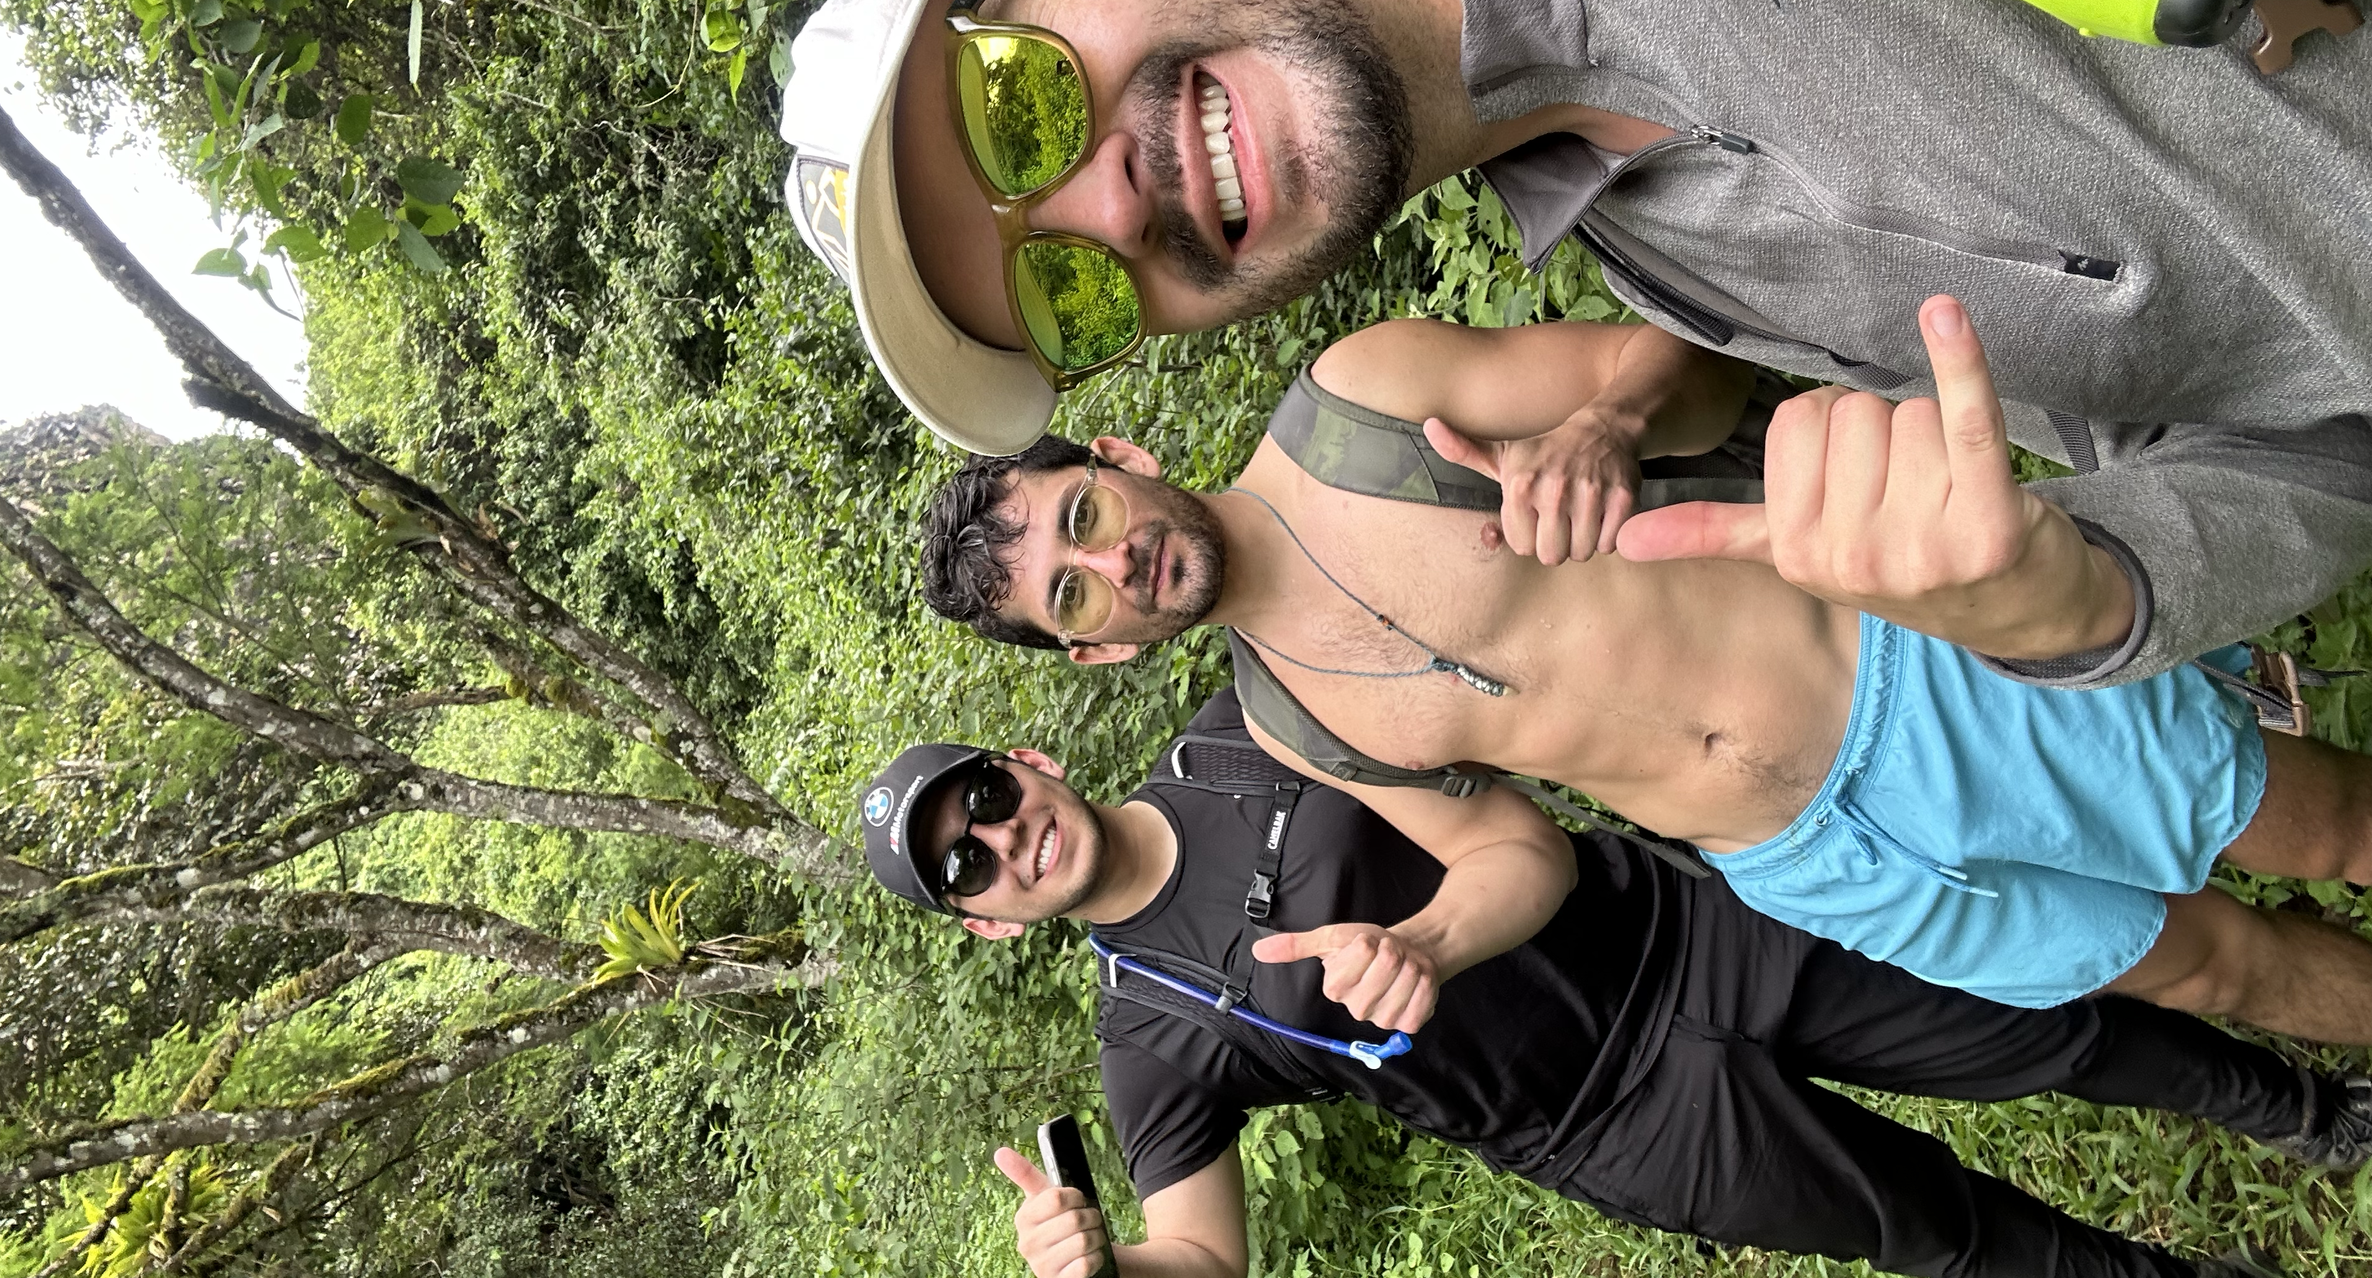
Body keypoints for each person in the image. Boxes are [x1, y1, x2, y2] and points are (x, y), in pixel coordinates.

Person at [776, 0, 2372, 689]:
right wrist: (2078, 591)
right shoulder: (1662, 260)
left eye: (1022, 108)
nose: (1111, 209)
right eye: (1071, 294)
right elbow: (2312, 432)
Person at [856, 691, 2372, 1278]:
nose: (998, 839)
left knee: (2036, 1022)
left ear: (1028, 762)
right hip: (1617, 1124)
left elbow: (1515, 827)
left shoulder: (1249, 728)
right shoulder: (1149, 1037)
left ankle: (2312, 1111)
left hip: (1687, 929)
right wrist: (1111, 1272)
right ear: (986, 919)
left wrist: (1434, 937)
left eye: (982, 799)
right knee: (1936, 1228)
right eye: (964, 866)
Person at [915, 300, 2372, 1041]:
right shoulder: (1292, 720)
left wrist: (1607, 423)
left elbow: (1699, 349)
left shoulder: (1363, 401)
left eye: (1084, 519)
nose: (1112, 563)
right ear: (1093, 647)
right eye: (1071, 593)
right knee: (2202, 971)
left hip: (1911, 677)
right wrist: (1432, 939)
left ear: (1121, 459)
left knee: (2325, 828)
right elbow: (1512, 852)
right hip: (1809, 859)